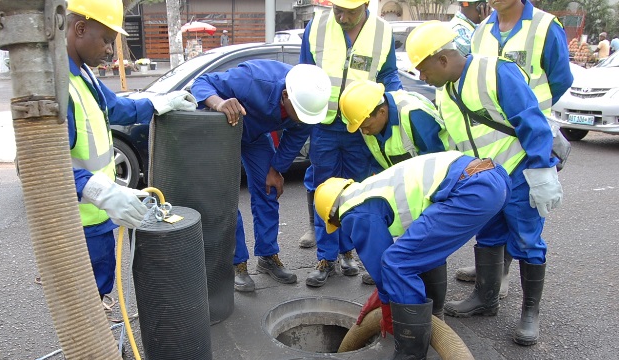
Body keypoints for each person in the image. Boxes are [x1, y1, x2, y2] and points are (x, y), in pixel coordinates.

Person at [407, 21, 564, 346]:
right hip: (485, 181)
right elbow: (455, 139)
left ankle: (530, 313)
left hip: (519, 173)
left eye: (423, 69)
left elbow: (531, 120)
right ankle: (486, 298)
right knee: (489, 235)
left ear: (443, 59)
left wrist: (541, 170)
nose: (421, 78)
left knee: (527, 241)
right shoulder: (445, 91)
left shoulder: (495, 72)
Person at [314, 151, 511, 360]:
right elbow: (416, 250)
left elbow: (384, 264)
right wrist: (384, 293)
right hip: (492, 177)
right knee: (421, 252)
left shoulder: (353, 210)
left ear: (333, 214)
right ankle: (432, 318)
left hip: (471, 188)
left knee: (398, 263)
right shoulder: (370, 188)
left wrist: (388, 309)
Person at [66, 0, 197, 300]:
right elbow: (49, 169)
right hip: (77, 226)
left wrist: (158, 103)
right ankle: (94, 343)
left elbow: (114, 107)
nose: (111, 50)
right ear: (80, 28)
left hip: (95, 218)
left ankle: (101, 328)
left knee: (100, 287)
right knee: (84, 299)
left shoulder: (83, 75)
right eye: (107, 41)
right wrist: (105, 194)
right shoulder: (61, 87)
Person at [456, 0, 573, 289]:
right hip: (493, 142)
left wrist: (528, 109)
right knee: (493, 212)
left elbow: (560, 79)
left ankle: (508, 274)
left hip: (530, 138)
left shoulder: (545, 27)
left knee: (524, 216)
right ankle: (496, 275)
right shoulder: (482, 31)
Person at [191, 60, 331, 292]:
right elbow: (201, 82)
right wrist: (219, 103)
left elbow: (295, 137)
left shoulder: (307, 106)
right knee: (226, 198)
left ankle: (267, 256)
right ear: (285, 94)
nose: (303, 119)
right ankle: (237, 264)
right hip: (222, 129)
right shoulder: (251, 81)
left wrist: (276, 170)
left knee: (269, 190)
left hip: (255, 136)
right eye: (299, 114)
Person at [299, 0, 403, 287]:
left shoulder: (382, 32)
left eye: (350, 12)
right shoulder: (316, 26)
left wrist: (394, 105)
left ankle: (347, 253)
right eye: (337, 11)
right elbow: (304, 73)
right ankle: (326, 257)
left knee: (357, 193)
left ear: (366, 5)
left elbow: (388, 75)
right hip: (325, 126)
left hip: (361, 127)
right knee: (325, 192)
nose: (342, 17)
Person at [338, 79, 449, 288]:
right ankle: (397, 273)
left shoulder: (413, 115)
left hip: (436, 183)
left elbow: (438, 163)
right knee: (401, 231)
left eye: (366, 126)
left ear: (381, 112)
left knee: (429, 240)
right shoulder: (370, 123)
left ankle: (434, 303)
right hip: (405, 184)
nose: (365, 132)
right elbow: (376, 161)